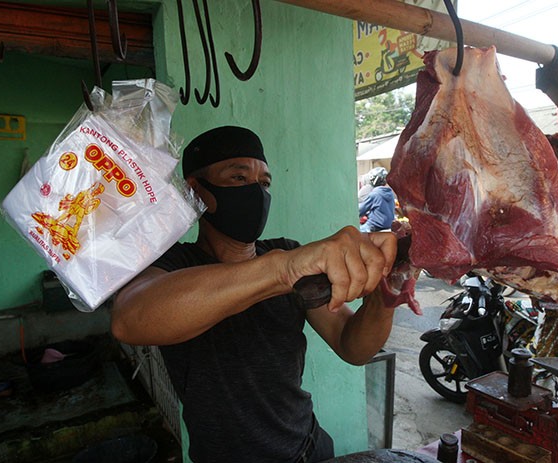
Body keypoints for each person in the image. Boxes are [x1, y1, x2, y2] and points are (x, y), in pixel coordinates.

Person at [111, 126, 403, 463]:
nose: (256, 191)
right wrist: (283, 270)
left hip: (309, 449)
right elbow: (129, 320)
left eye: (264, 183)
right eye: (238, 177)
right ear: (196, 190)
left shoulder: (285, 252)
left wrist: (386, 296)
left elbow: (352, 346)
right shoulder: (175, 265)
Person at [358, 167, 395, 232]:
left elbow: (360, 210)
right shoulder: (390, 193)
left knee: (355, 232)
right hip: (388, 226)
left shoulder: (375, 193)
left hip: (374, 226)